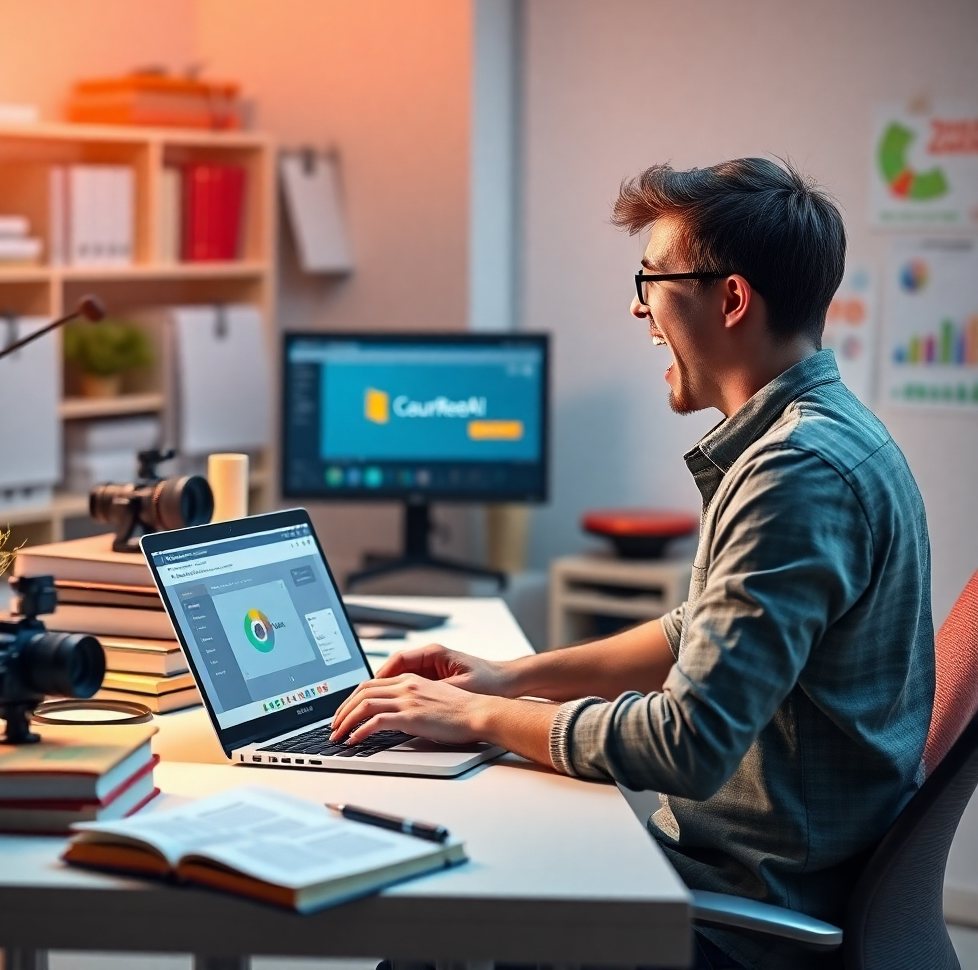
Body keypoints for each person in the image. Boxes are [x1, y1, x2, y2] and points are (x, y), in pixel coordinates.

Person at [332, 158, 935, 970]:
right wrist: (508, 679)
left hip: (741, 920)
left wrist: (475, 719)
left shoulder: (796, 475)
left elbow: (686, 743)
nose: (637, 305)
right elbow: (698, 631)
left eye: (651, 279)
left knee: (433, 928)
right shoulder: (823, 434)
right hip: (744, 875)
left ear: (731, 299)